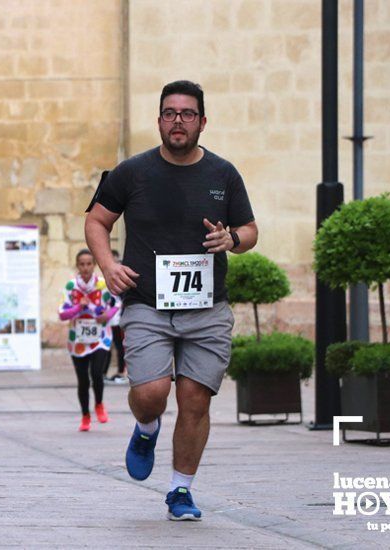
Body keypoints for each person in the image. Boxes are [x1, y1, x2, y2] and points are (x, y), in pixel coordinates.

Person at [85, 80, 258, 521]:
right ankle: (146, 428)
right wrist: (108, 266)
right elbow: (97, 221)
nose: (177, 120)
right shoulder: (132, 172)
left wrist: (232, 238)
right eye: (169, 113)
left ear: (202, 121)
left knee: (196, 400)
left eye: (186, 113)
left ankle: (180, 490)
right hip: (147, 303)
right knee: (151, 393)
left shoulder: (223, 173)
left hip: (207, 308)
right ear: (159, 120)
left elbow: (250, 231)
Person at [58, 249, 120, 431]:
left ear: (94, 265)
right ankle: (85, 415)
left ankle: (99, 403)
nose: (85, 268)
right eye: (82, 264)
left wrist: (106, 315)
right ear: (77, 266)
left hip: (100, 336)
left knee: (96, 373)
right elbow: (62, 314)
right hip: (77, 339)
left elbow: (117, 304)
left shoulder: (102, 285)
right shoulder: (71, 287)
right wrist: (78, 307)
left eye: (89, 264)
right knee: (83, 380)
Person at [106, 249, 128, 384]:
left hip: (120, 317)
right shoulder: (109, 275)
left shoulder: (122, 273)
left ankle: (123, 372)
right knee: (115, 346)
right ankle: (119, 371)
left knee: (122, 347)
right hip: (112, 319)